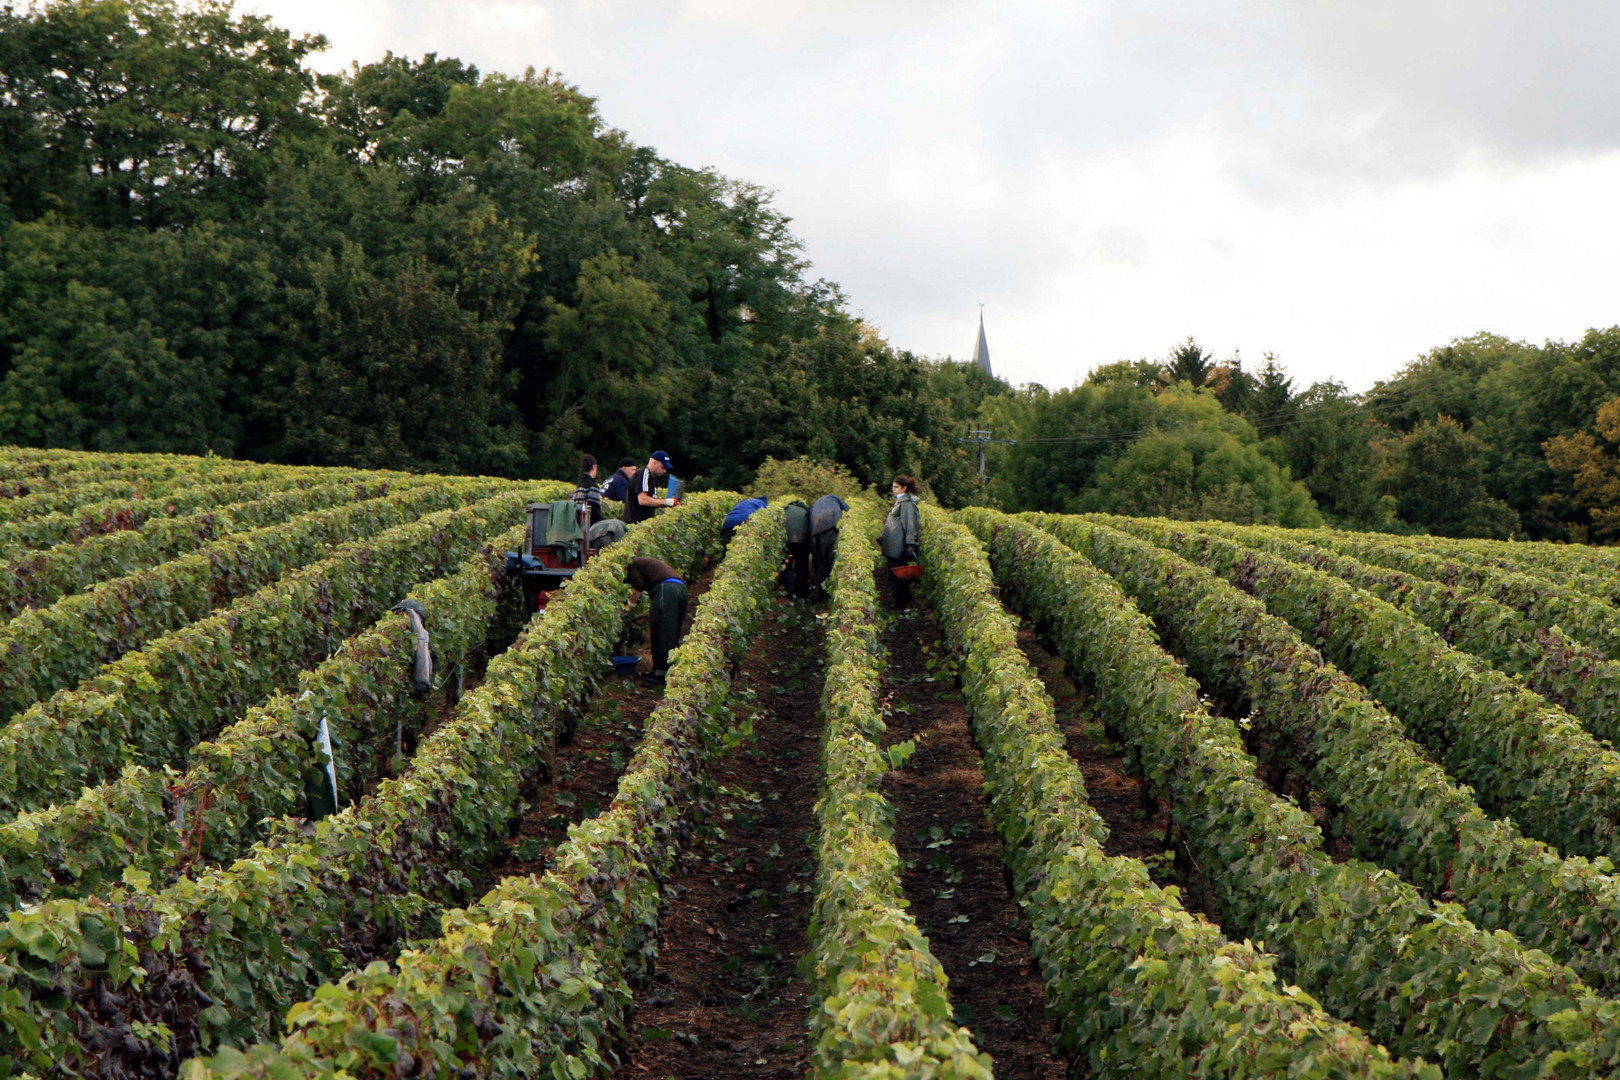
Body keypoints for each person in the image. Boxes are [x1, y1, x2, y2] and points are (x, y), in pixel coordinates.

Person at [625, 555, 688, 682]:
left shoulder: (632, 565)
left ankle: (661, 674)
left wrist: (628, 608)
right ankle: (668, 671)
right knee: (671, 631)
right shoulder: (645, 564)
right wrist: (648, 614)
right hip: (680, 590)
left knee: (661, 633)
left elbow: (638, 585)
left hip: (667, 590)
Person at [882, 474, 922, 606]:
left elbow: (910, 525)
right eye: (893, 487)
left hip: (898, 545)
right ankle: (900, 600)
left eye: (896, 487)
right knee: (895, 574)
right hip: (893, 544)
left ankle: (902, 602)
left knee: (899, 574)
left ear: (904, 488)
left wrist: (910, 544)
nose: (894, 490)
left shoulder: (907, 504)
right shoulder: (900, 501)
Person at [808, 493, 848, 599]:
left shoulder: (814, 506)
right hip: (832, 525)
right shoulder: (836, 500)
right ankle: (832, 590)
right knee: (832, 558)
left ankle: (823, 591)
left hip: (817, 529)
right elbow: (848, 512)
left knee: (820, 559)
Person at [623, 450, 678, 526]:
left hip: (643, 524)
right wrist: (666, 501)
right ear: (654, 463)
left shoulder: (652, 478)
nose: (664, 471)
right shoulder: (643, 474)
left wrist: (667, 504)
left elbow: (651, 501)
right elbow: (643, 500)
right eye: (663, 467)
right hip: (636, 523)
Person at [781, 499, 811, 598]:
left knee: (787, 564)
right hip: (803, 538)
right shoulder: (805, 511)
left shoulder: (785, 510)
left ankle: (789, 592)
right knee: (801, 564)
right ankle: (801, 592)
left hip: (787, 538)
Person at [571, 454, 604, 527]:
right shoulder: (592, 486)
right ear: (593, 467)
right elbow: (594, 511)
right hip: (588, 527)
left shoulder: (579, 486)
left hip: (578, 525)